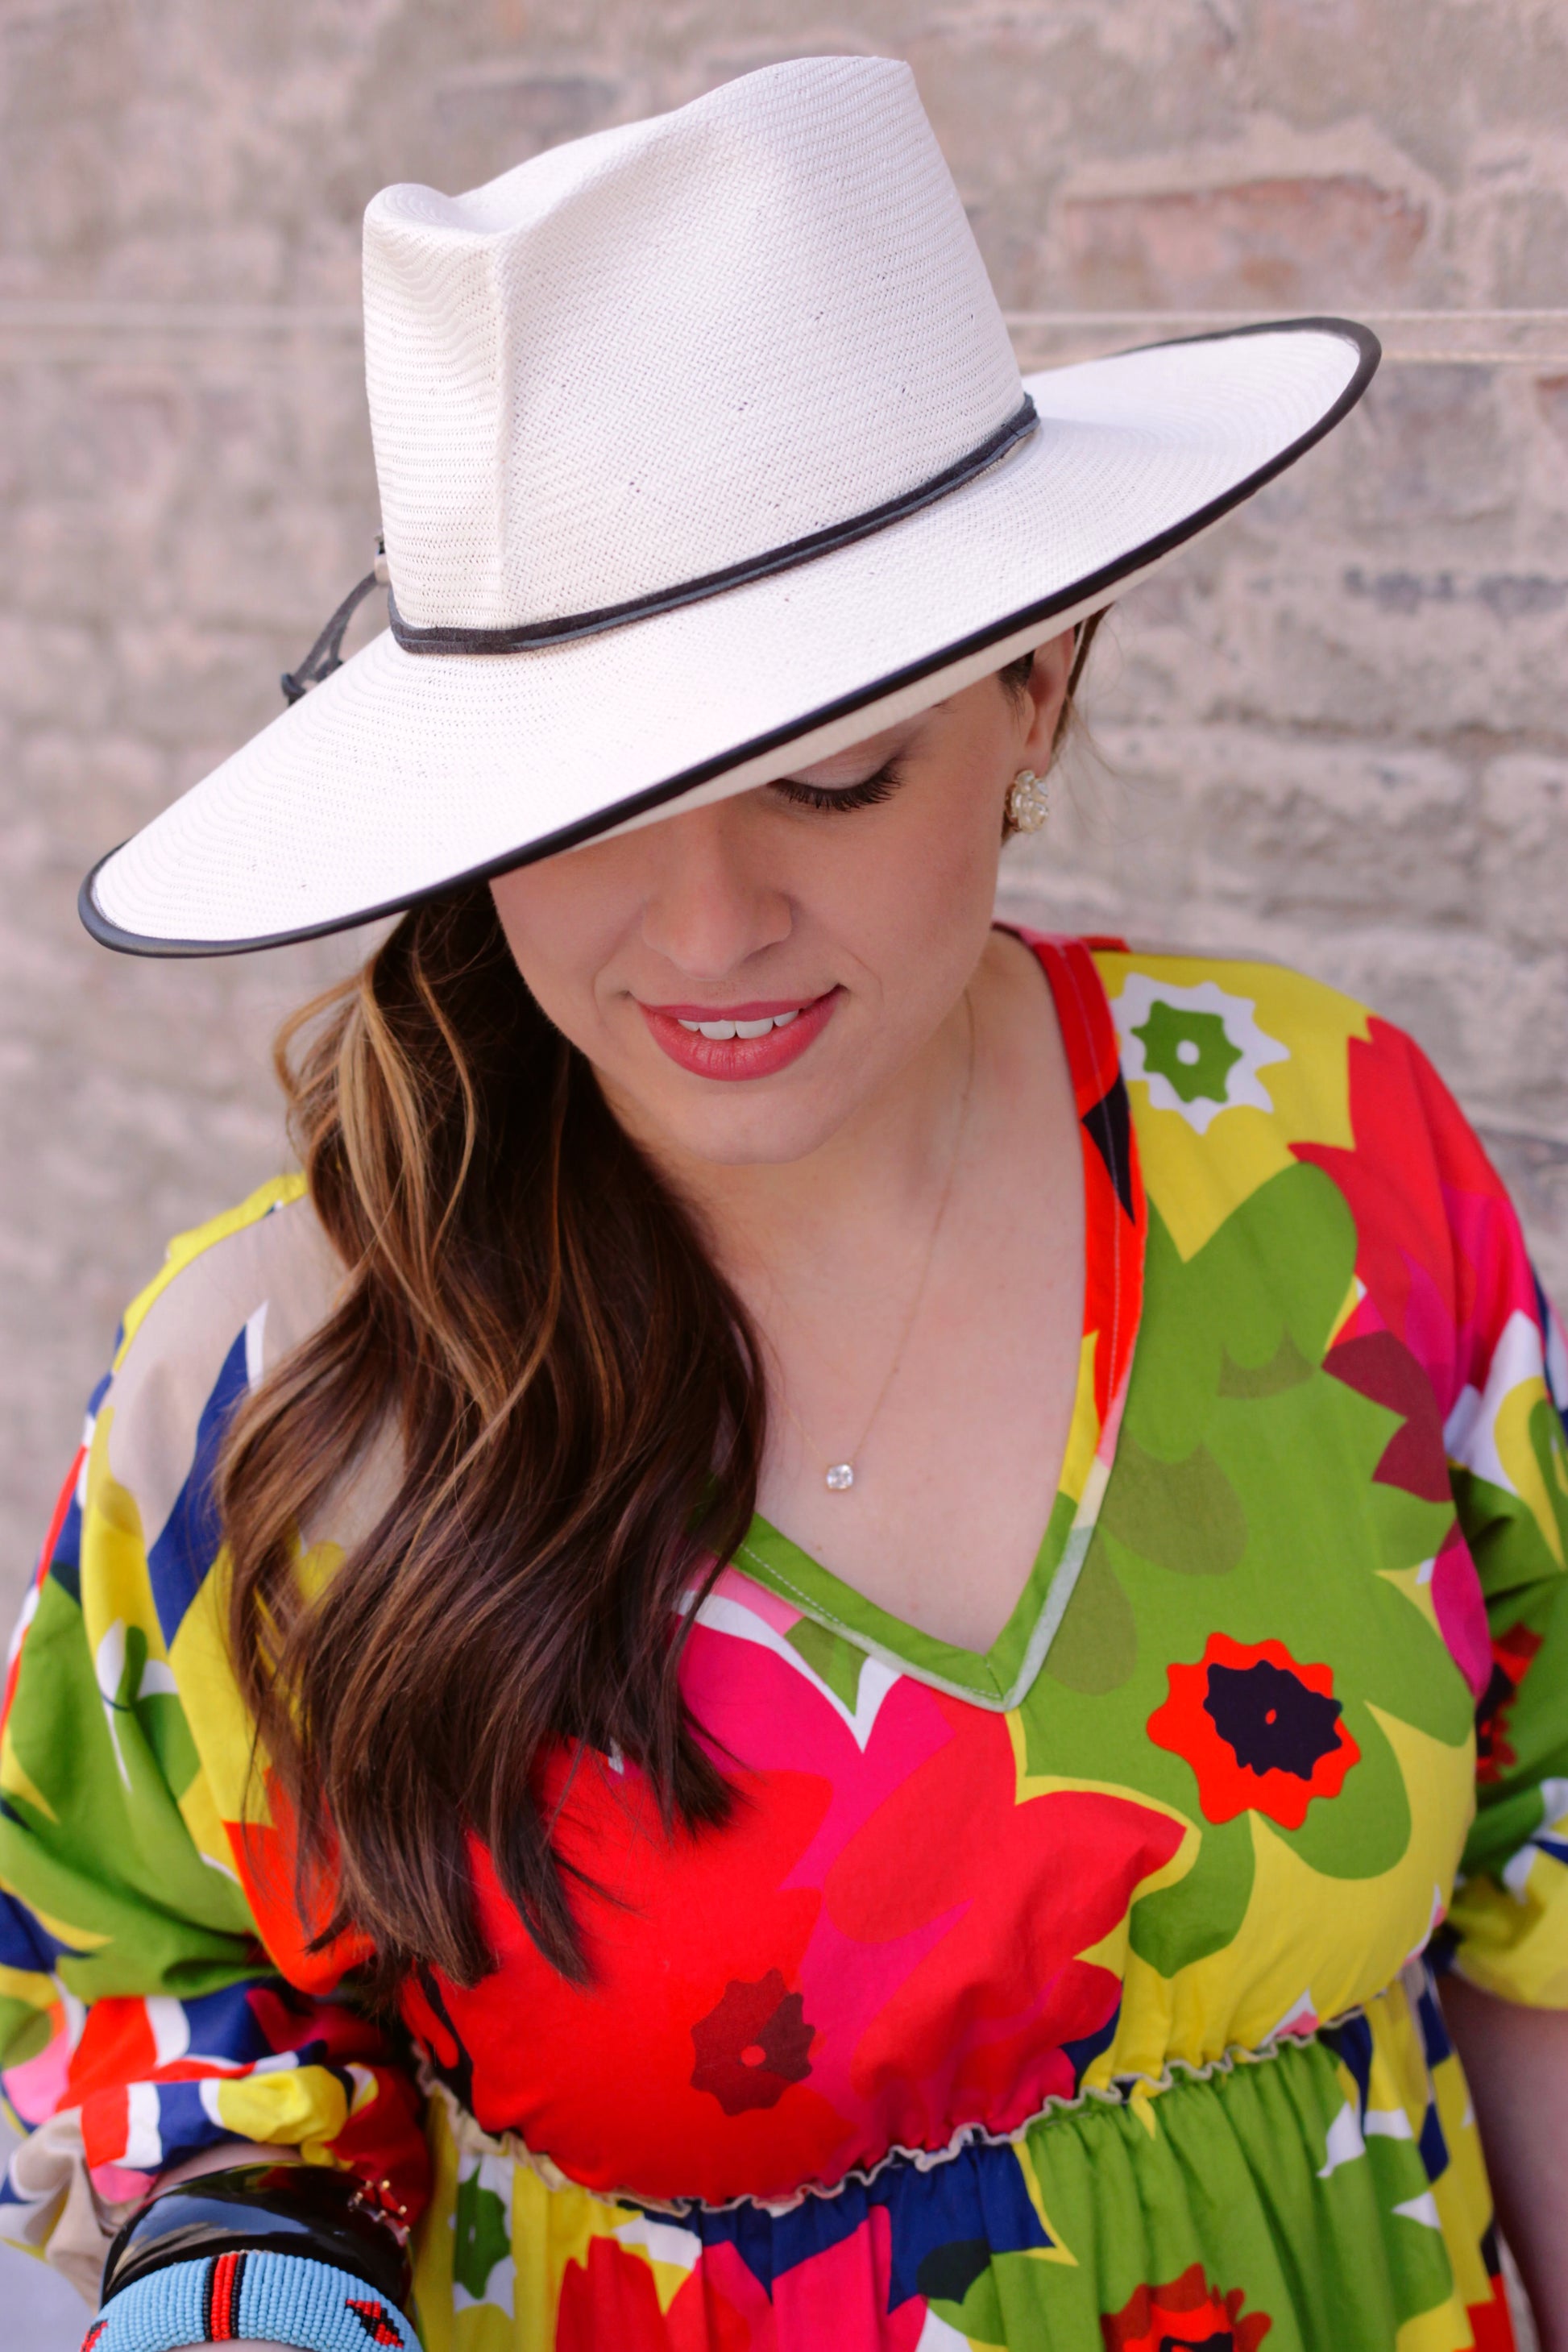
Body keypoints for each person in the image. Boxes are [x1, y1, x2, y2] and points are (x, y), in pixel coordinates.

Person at [2, 52, 1565, 2352]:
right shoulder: (281, 1384)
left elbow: (1540, 1875)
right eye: (585, 806)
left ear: (1038, 686)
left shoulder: (1328, 1154)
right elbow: (137, 1961)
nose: (706, 928)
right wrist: (247, 2239)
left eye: (833, 775)